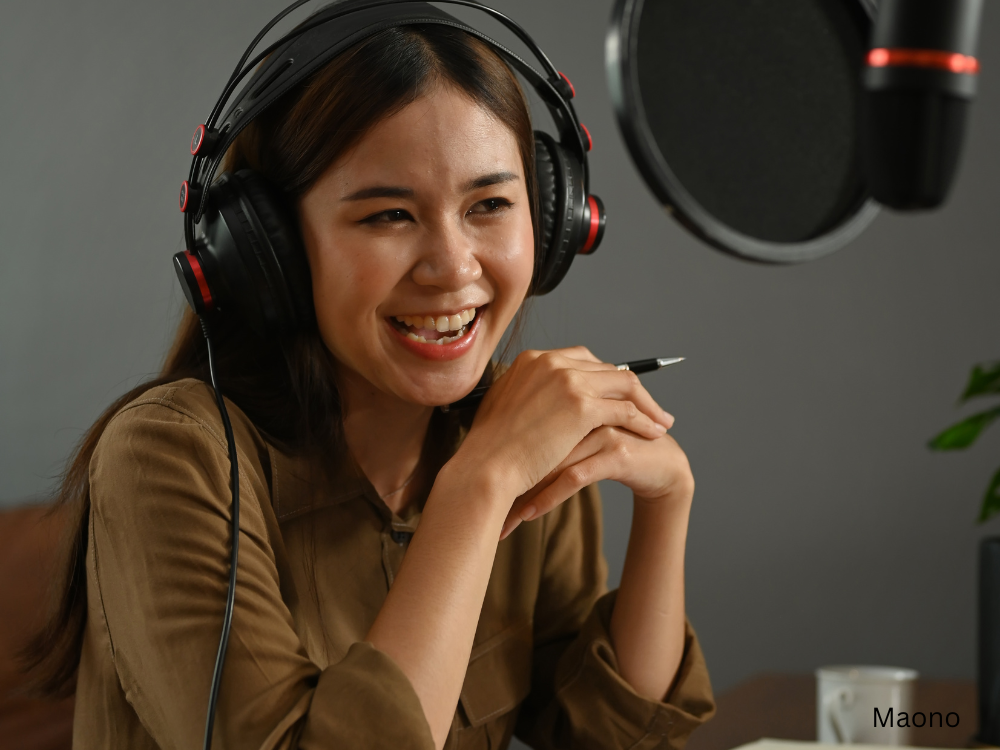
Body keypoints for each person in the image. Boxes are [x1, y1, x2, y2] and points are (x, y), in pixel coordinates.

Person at [26, 13, 715, 750]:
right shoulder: (166, 459)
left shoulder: (522, 433)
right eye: (389, 215)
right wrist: (478, 487)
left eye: (489, 205)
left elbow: (611, 738)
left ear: (554, 222)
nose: (452, 268)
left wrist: (666, 506)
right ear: (276, 252)